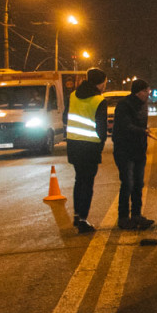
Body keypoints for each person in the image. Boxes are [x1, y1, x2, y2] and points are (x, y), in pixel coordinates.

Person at [65, 68, 108, 233]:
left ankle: (77, 215)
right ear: (100, 82)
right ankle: (83, 220)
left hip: (74, 145)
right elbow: (101, 128)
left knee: (79, 180)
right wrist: (100, 145)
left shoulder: (73, 96)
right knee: (87, 183)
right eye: (104, 82)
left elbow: (65, 118)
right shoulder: (98, 100)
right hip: (90, 147)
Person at [112, 79, 155, 230]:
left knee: (138, 183)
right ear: (138, 92)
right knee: (127, 183)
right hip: (124, 150)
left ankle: (137, 215)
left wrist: (143, 134)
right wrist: (142, 131)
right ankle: (123, 217)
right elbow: (125, 125)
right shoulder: (124, 105)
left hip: (139, 149)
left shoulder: (144, 104)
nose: (148, 94)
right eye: (146, 91)